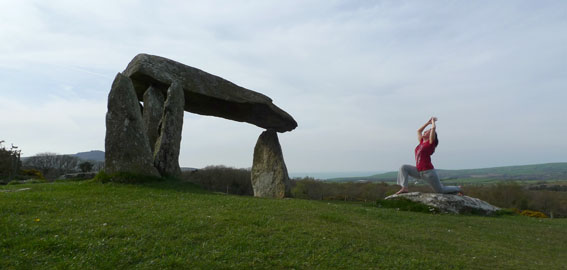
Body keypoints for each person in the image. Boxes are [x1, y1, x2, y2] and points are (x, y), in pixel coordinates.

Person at [395, 117, 462, 195]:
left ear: (431, 135)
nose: (424, 132)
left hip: (428, 173)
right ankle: (404, 188)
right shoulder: (421, 142)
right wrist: (427, 123)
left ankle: (458, 188)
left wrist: (433, 122)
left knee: (440, 190)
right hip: (418, 171)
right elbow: (419, 131)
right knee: (403, 167)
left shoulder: (430, 144)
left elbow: (433, 128)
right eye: (425, 131)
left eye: (426, 132)